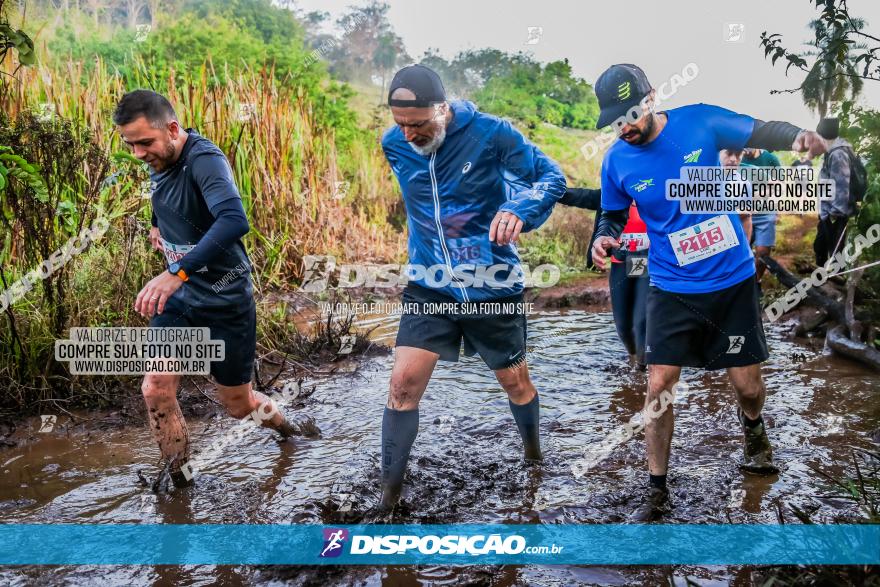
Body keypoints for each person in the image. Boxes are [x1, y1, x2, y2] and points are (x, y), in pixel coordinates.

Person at [589, 64, 828, 521]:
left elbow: (762, 129)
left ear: (653, 98)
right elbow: (612, 215)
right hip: (670, 285)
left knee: (747, 386)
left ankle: (754, 431)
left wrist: (800, 135)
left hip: (731, 280)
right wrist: (603, 236)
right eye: (617, 120)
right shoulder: (616, 160)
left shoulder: (700, 121)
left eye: (632, 115)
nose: (627, 127)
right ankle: (657, 489)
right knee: (658, 382)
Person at [378, 64, 566, 509]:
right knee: (402, 384)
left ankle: (533, 456)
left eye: (418, 124)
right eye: (401, 125)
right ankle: (387, 501)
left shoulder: (491, 134)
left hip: (491, 286)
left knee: (514, 383)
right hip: (430, 286)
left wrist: (521, 207)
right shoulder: (394, 144)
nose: (408, 135)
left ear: (442, 109)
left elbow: (550, 177)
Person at [114, 90, 306, 488]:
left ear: (172, 128)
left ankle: (291, 432)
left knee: (240, 406)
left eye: (144, 143)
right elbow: (163, 189)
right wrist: (157, 221)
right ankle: (177, 482)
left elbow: (234, 220)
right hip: (179, 301)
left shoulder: (204, 159)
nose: (137, 154)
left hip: (223, 298)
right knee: (155, 387)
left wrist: (177, 271)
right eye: (129, 144)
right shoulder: (159, 156)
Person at [563, 187, 650, 367]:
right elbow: (578, 196)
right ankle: (634, 359)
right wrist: (546, 189)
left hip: (647, 261)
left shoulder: (656, 194)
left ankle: (643, 366)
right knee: (623, 324)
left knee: (641, 319)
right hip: (620, 261)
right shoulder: (609, 195)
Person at [814, 118, 855, 267]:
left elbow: (841, 185)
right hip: (828, 211)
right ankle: (824, 281)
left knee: (835, 253)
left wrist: (835, 214)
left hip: (835, 214)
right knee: (821, 248)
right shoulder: (831, 152)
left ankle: (835, 285)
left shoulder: (838, 154)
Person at [742, 148, 782, 293]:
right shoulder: (737, 159)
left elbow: (778, 184)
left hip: (765, 213)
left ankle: (756, 282)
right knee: (742, 250)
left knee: (762, 252)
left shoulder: (770, 159)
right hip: (742, 214)